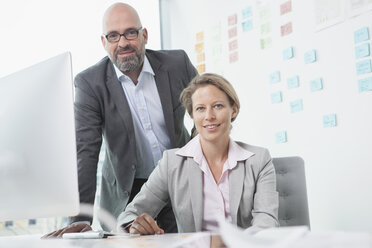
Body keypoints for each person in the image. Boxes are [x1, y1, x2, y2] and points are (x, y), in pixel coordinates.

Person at [43, 2, 197, 237]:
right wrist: (81, 220)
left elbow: (207, 107)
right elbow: (86, 151)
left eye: (130, 33)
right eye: (113, 36)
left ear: (144, 35)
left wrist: (197, 158)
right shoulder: (90, 83)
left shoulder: (177, 64)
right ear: (103, 42)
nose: (122, 42)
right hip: (127, 192)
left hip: (178, 180)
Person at [117, 73, 279, 235]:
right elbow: (128, 215)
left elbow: (266, 223)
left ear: (234, 110)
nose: (209, 116)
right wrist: (134, 225)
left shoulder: (259, 160)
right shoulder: (171, 163)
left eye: (218, 106)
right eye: (200, 108)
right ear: (192, 115)